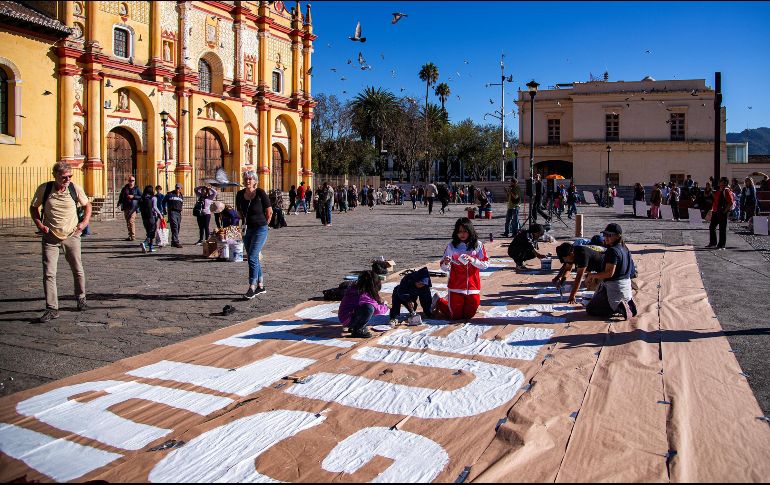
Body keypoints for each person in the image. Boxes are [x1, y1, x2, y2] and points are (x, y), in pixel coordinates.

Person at [29, 162, 92, 323]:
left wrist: (84, 223)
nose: (67, 180)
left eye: (70, 176)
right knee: (49, 273)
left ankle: (81, 298)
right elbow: (33, 207)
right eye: (64, 177)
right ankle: (52, 308)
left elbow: (87, 205)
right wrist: (39, 225)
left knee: (77, 269)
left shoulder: (74, 189)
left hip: (72, 235)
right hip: (50, 237)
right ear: (55, 176)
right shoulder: (45, 189)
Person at [431, 218, 489, 320]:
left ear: (470, 231)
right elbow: (443, 268)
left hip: (473, 287)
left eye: (465, 231)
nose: (462, 234)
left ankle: (456, 305)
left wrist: (472, 259)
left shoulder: (478, 245)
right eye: (459, 231)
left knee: (468, 316)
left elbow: (485, 264)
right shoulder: (452, 246)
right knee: (455, 316)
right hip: (455, 287)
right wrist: (446, 262)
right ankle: (439, 301)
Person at [585, 223, 637, 320]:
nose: (606, 237)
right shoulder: (624, 248)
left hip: (614, 288)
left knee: (590, 309)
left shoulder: (612, 251)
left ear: (618, 236)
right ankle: (627, 303)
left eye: (609, 235)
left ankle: (618, 308)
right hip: (626, 287)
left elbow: (609, 274)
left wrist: (592, 275)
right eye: (605, 235)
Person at [236, 170, 272, 299]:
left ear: (255, 181)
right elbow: (239, 211)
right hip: (247, 229)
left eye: (250, 179)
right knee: (254, 257)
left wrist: (265, 225)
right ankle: (261, 286)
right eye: (246, 179)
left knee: (251, 256)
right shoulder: (240, 194)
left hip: (260, 229)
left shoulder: (260, 193)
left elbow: (269, 211)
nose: (248, 181)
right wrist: (244, 221)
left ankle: (252, 286)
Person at [338, 270, 390, 338]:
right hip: (348, 320)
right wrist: (385, 306)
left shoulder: (357, 289)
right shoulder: (362, 295)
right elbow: (377, 310)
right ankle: (358, 330)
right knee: (369, 308)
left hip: (346, 317)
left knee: (367, 307)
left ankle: (355, 326)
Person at [707, 177, 734, 250]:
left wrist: (725, 211)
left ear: (725, 182)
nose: (719, 182)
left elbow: (731, 202)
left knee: (722, 229)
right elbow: (716, 199)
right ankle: (713, 243)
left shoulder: (726, 191)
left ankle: (721, 245)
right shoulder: (720, 190)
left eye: (721, 181)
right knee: (712, 227)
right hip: (716, 211)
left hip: (721, 212)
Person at [139, 185, 163, 253]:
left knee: (148, 232)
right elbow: (155, 207)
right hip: (152, 217)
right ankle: (145, 243)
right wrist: (160, 214)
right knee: (152, 232)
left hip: (144, 217)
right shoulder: (153, 198)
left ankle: (150, 247)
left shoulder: (142, 198)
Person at [117, 176, 141, 241]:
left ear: (134, 181)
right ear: (128, 181)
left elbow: (141, 197)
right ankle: (130, 235)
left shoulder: (137, 189)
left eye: (132, 180)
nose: (131, 182)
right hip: (126, 207)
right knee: (128, 222)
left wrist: (133, 196)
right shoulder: (125, 188)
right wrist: (119, 202)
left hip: (134, 207)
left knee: (131, 221)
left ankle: (133, 236)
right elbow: (121, 196)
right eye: (130, 180)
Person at [164, 183, 184, 247]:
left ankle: (173, 241)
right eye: (176, 188)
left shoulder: (181, 196)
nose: (177, 189)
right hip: (172, 212)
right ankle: (176, 241)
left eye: (178, 188)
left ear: (181, 189)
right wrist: (164, 209)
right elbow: (163, 201)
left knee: (177, 227)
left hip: (179, 213)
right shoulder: (170, 194)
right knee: (174, 226)